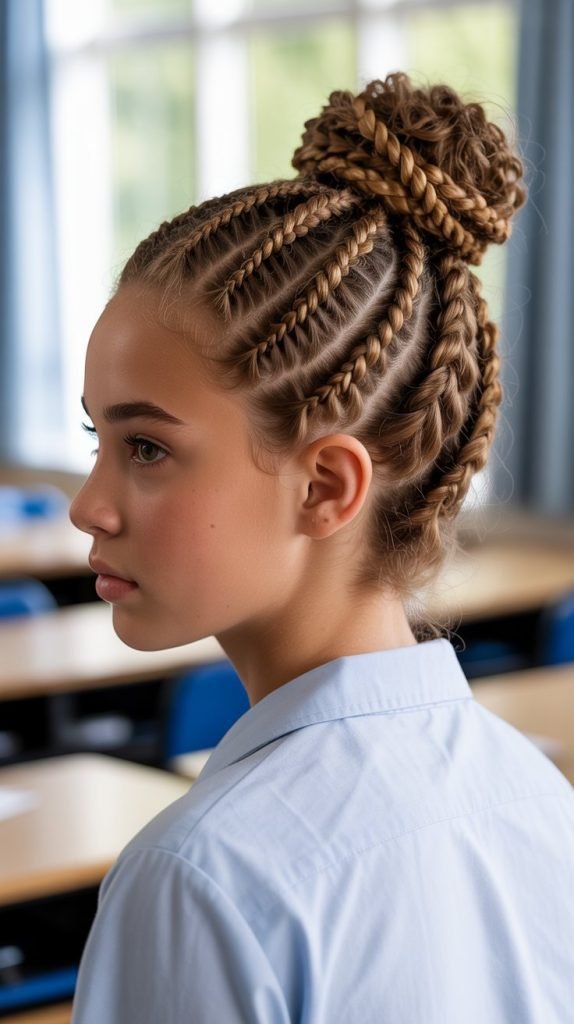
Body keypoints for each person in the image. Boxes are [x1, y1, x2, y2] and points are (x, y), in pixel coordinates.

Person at [69, 73, 573, 1022]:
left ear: (326, 487)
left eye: (146, 449)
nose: (88, 506)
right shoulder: (534, 793)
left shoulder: (200, 879)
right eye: (97, 438)